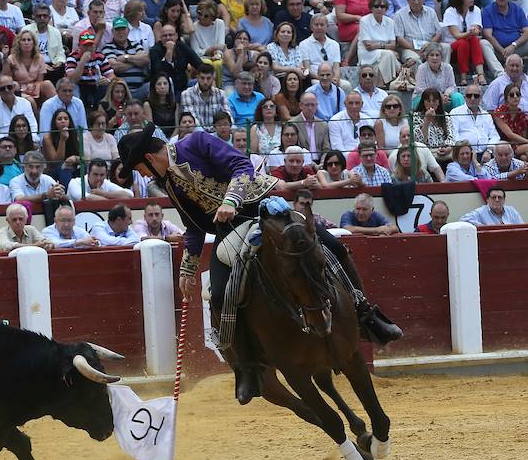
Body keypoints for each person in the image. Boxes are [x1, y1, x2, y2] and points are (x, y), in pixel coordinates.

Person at [116, 123, 402, 403]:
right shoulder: (168, 182)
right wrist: (187, 271)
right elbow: (193, 227)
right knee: (218, 295)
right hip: (228, 232)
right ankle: (246, 367)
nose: (141, 174)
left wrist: (230, 200)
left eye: (139, 168)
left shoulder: (196, 142)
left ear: (150, 158)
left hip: (264, 209)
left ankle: (366, 314)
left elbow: (241, 165)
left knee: (334, 247)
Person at [443, 0, 489, 85]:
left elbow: (476, 28)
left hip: (470, 43)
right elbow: (456, 35)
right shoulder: (450, 11)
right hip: (453, 46)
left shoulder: (476, 9)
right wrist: (470, 33)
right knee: (464, 41)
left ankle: (480, 74)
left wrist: (475, 31)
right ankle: (463, 76)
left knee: (473, 39)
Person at [394, 0, 447, 70]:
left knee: (446, 47)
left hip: (430, 44)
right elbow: (399, 38)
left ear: (423, 0)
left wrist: (429, 46)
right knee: (414, 59)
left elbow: (438, 33)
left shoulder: (431, 12)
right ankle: (420, 81)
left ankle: (443, 77)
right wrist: (415, 49)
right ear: (407, 0)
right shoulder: (399, 15)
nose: (416, 2)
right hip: (409, 48)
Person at [150, 23, 202, 98]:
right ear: (160, 38)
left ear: (176, 36)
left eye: (170, 35)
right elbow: (159, 72)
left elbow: (199, 64)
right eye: (165, 36)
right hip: (164, 91)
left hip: (184, 86)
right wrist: (169, 52)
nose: (168, 38)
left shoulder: (182, 46)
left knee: (205, 80)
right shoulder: (155, 50)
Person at [65, 29, 115, 107]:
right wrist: (82, 62)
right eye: (85, 45)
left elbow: (112, 76)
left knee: (108, 87)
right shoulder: (72, 57)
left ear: (94, 45)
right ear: (79, 46)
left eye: (90, 45)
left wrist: (107, 80)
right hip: (80, 86)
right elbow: (72, 80)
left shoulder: (100, 57)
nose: (88, 48)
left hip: (96, 86)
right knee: (73, 87)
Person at [482, 0, 528, 70]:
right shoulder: (487, 11)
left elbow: (526, 31)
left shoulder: (517, 9)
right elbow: (488, 35)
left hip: (516, 48)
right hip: (497, 50)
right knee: (483, 43)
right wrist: (502, 50)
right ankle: (500, 74)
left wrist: (513, 45)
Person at [451, 84, 501, 158]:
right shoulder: (455, 113)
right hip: (464, 155)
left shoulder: (486, 115)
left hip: (485, 154)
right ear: (464, 97)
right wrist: (466, 151)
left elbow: (495, 136)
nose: (472, 98)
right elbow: (454, 137)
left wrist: (489, 151)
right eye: (469, 96)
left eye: (476, 96)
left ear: (480, 98)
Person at [181, 63, 230, 132]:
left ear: (213, 78)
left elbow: (228, 116)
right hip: (196, 134)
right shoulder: (186, 94)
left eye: (208, 78)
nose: (205, 82)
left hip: (217, 134)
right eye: (202, 78)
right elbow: (192, 120)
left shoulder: (221, 94)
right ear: (197, 77)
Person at [329, 91, 374, 158]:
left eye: (357, 103)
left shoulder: (368, 120)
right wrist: (355, 158)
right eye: (351, 103)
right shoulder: (335, 121)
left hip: (367, 157)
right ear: (345, 104)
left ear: (362, 104)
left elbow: (372, 145)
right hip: (345, 161)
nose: (354, 106)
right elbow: (338, 149)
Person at [66, 158, 134, 200]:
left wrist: (104, 194)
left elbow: (129, 194)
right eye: (95, 174)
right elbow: (85, 198)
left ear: (106, 174)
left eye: (102, 175)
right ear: (88, 172)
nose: (99, 178)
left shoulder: (106, 183)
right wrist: (111, 201)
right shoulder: (75, 182)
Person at [491, 83, 528, 158]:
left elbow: (524, 136)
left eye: (517, 94)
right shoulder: (499, 112)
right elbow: (510, 134)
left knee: (524, 157)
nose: (515, 97)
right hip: (505, 146)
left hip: (520, 146)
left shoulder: (523, 115)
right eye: (511, 95)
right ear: (506, 98)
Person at [289, 92, 329, 159]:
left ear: (317, 106)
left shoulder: (323, 125)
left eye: (313, 105)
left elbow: (326, 149)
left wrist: (322, 164)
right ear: (300, 105)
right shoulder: (292, 124)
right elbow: (293, 150)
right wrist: (313, 165)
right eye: (307, 105)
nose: (310, 108)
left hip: (321, 164)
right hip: (301, 163)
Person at [460, 185, 525, 224]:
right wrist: (482, 226)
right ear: (487, 200)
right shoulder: (481, 212)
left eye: (500, 197)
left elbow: (522, 227)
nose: (497, 200)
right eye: (494, 197)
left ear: (504, 200)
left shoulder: (511, 210)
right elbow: (463, 219)